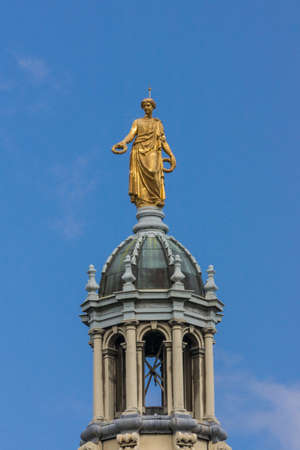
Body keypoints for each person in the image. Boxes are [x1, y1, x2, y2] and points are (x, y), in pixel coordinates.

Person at [112, 97, 176, 208]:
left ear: (153, 107)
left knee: (153, 171)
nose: (147, 107)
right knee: (140, 178)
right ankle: (142, 199)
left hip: (153, 149)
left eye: (149, 105)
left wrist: (171, 155)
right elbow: (131, 134)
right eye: (145, 106)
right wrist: (123, 142)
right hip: (139, 149)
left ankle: (156, 198)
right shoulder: (137, 122)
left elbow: (163, 141)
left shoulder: (157, 123)